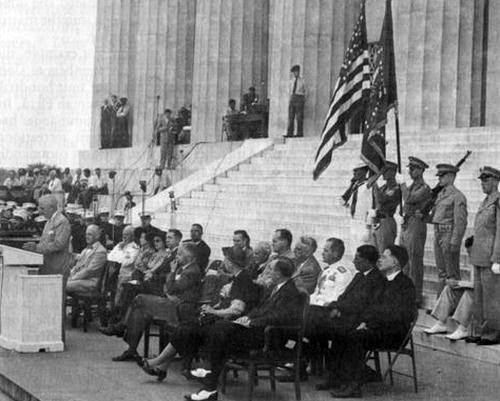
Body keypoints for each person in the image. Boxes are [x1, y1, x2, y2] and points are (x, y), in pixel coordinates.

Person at [184, 256, 303, 401]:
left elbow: (279, 317)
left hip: (270, 338)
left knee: (221, 332)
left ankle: (210, 380)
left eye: (270, 269)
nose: (267, 271)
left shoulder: (290, 292)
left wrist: (252, 322)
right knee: (220, 329)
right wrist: (246, 318)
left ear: (279, 273)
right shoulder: (275, 288)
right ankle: (210, 382)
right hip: (259, 330)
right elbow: (260, 309)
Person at [138, 246, 260, 381]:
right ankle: (161, 366)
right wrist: (214, 307)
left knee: (187, 329)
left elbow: (236, 310)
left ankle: (158, 364)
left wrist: (213, 311)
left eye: (225, 259)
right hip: (222, 320)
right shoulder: (238, 278)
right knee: (186, 327)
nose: (224, 262)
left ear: (230, 263)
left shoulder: (242, 280)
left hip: (228, 326)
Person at [329, 245, 416, 398]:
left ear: (395, 262)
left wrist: (368, 323)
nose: (380, 259)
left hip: (394, 333)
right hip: (376, 328)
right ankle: (340, 378)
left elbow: (397, 316)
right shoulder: (381, 281)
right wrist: (363, 321)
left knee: (355, 336)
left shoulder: (405, 284)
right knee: (342, 331)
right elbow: (369, 307)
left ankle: (354, 385)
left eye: (384, 257)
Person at [111, 242, 202, 362]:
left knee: (140, 298)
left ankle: (122, 326)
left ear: (189, 257)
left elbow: (170, 288)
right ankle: (131, 350)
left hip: (177, 308)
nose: (176, 257)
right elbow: (170, 287)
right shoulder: (184, 268)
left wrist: (172, 271)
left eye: (180, 254)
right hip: (170, 301)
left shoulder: (192, 271)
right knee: (140, 313)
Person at [314, 244, 385, 391]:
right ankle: (333, 374)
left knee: (342, 334)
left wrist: (340, 309)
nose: (354, 261)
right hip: (347, 316)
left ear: (367, 261)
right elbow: (345, 296)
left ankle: (346, 379)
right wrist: (335, 306)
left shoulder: (377, 279)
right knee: (319, 328)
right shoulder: (359, 276)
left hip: (359, 320)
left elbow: (365, 304)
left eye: (357, 259)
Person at [466, 166, 500, 345]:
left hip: (490, 257)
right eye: (481, 180)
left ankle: (493, 332)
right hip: (479, 255)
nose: (482, 184)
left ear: (495, 181)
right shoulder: (486, 200)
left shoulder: (497, 201)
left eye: (486, 180)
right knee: (479, 297)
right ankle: (480, 330)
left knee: (491, 297)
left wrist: (497, 258)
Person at [398, 156, 432, 306]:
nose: (410, 171)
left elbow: (409, 199)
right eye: (410, 169)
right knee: (404, 260)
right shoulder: (412, 186)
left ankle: (415, 296)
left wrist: (402, 184)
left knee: (414, 260)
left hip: (416, 224)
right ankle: (404, 293)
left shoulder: (424, 188)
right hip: (407, 223)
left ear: (421, 170)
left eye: (413, 169)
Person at [430, 163, 468, 295]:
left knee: (452, 272)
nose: (439, 178)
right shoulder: (441, 195)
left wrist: (455, 241)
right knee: (441, 271)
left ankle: (453, 305)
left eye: (442, 176)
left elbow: (461, 222)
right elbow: (436, 216)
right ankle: (441, 303)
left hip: (448, 234)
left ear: (451, 177)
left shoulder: (457, 196)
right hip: (438, 233)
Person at [23, 195, 72, 277]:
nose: (40, 212)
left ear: (52, 208)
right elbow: (45, 242)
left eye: (42, 208)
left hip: (57, 270)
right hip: (47, 267)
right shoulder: (49, 221)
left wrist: (37, 247)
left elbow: (58, 244)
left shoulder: (62, 222)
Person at [66, 224, 107, 298]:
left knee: (62, 286)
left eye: (89, 234)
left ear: (97, 236)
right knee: (58, 282)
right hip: (81, 279)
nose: (86, 237)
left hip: (90, 282)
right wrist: (71, 274)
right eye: (86, 234)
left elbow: (89, 271)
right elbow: (77, 266)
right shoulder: (85, 250)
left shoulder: (100, 251)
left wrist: (73, 278)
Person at [372, 161, 401, 254]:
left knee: (384, 253)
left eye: (385, 170)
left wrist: (374, 183)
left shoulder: (396, 188)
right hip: (379, 221)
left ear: (393, 172)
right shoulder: (384, 187)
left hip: (387, 221)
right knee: (376, 254)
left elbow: (381, 199)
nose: (383, 173)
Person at [107, 226, 140, 306]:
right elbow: (109, 257)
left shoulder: (134, 247)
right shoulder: (119, 245)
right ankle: (112, 306)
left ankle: (117, 307)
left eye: (127, 235)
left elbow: (128, 262)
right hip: (114, 270)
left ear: (132, 236)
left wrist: (117, 259)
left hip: (126, 273)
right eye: (123, 234)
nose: (124, 237)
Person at [286, 64, 306, 138]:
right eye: (294, 72)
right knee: (291, 116)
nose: (296, 73)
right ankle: (290, 132)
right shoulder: (291, 81)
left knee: (299, 117)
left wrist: (303, 99)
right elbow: (289, 91)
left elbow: (305, 91)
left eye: (297, 72)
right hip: (292, 98)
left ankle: (299, 133)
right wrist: (290, 99)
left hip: (299, 97)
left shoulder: (302, 81)